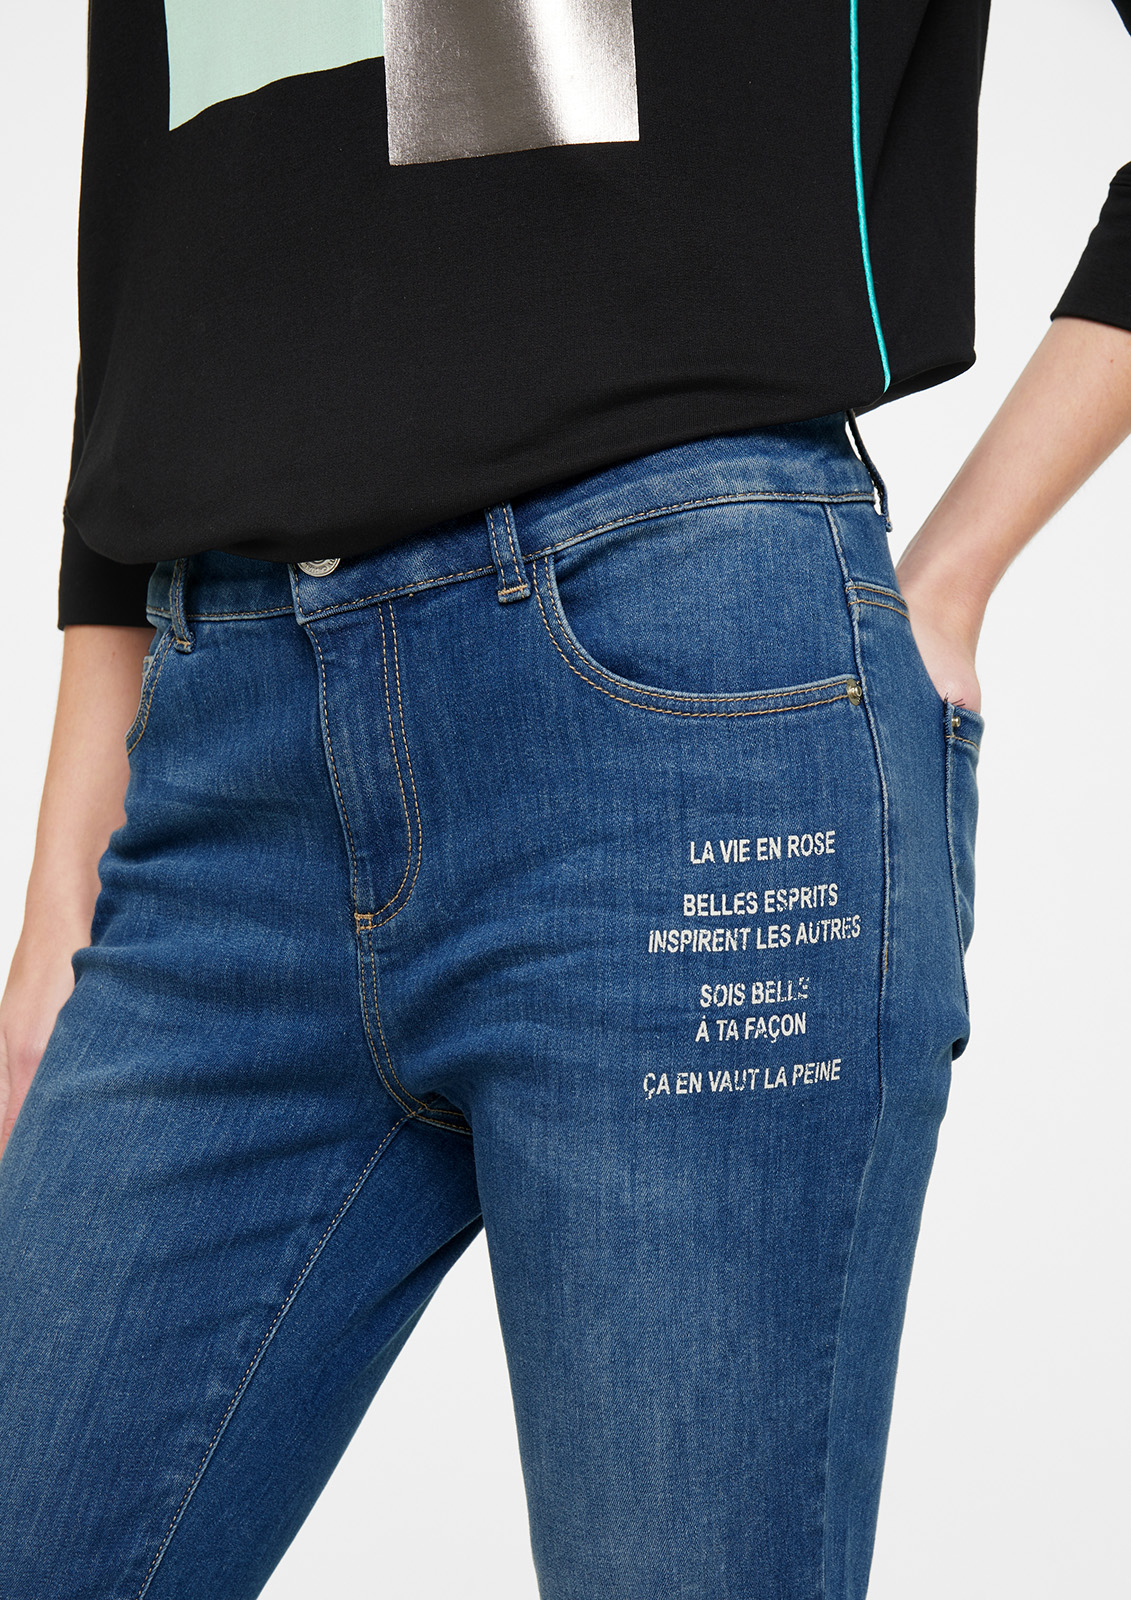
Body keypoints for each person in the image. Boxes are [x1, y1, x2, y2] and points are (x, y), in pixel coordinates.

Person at [1, 3, 1130, 1596]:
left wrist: (950, 580)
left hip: (678, 703)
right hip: (219, 760)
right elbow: (168, 203)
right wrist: (70, 861)